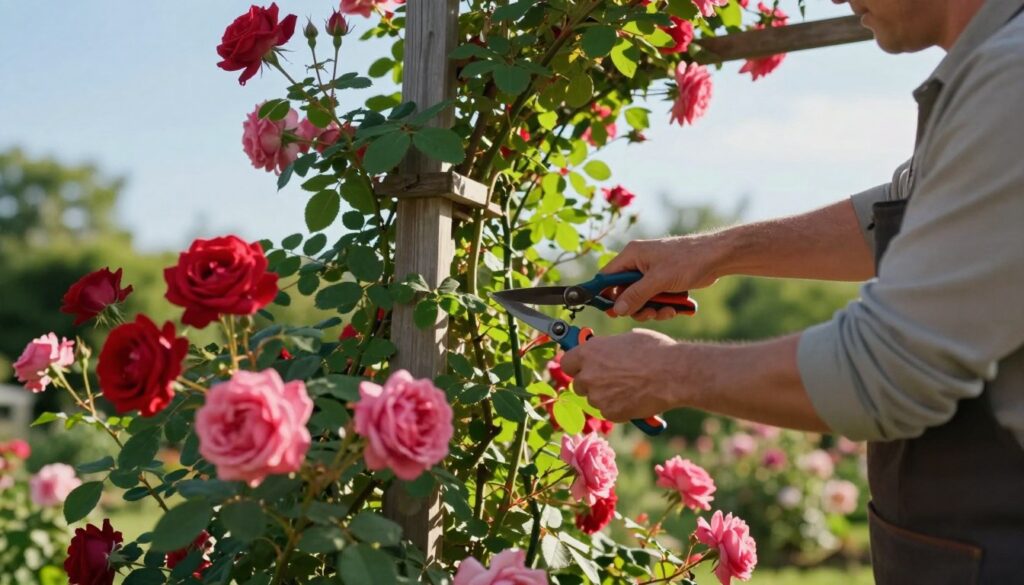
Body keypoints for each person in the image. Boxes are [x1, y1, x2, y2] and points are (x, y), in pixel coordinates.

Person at [560, 0, 1024, 582]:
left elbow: (886, 370)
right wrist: (715, 251)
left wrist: (665, 373)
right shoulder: (994, 71)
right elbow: (903, 209)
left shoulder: (1013, 80)